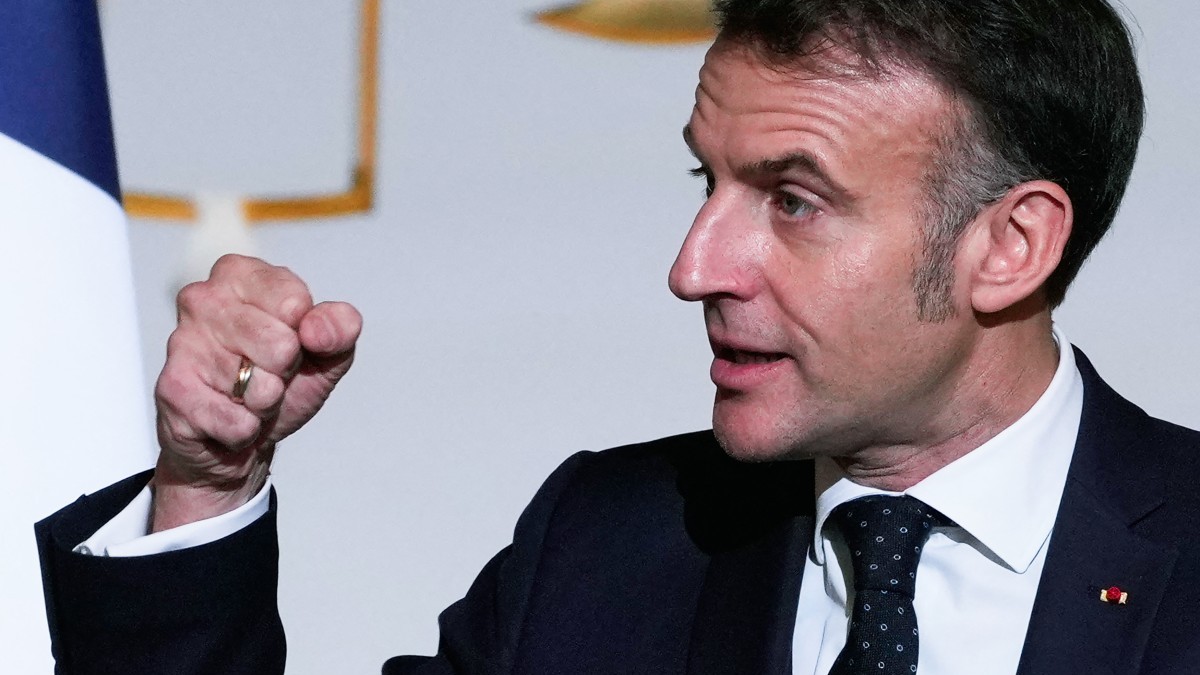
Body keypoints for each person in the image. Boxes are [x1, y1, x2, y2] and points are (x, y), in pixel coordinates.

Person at [35, 0, 1200, 673]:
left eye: (793, 200)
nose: (694, 267)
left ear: (1011, 246)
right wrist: (206, 483)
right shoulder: (605, 552)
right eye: (708, 181)